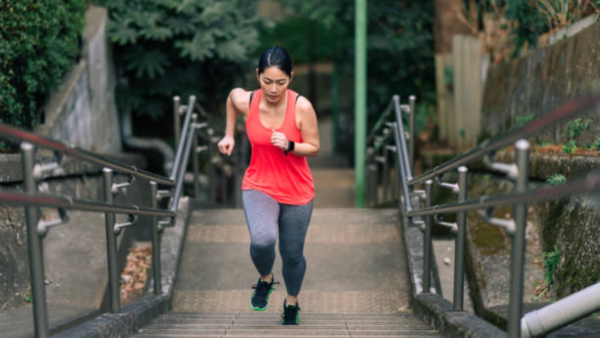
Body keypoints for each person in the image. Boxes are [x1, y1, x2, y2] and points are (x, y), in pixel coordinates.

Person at [217, 46, 319, 325]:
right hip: (258, 183)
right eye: (267, 81)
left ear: (291, 78)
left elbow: (314, 147)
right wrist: (229, 134)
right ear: (258, 75)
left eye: (281, 82)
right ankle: (266, 278)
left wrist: (291, 145)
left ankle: (292, 302)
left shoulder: (302, 107)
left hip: (297, 190)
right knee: (262, 240)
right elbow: (230, 97)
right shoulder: (247, 101)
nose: (274, 89)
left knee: (291, 254)